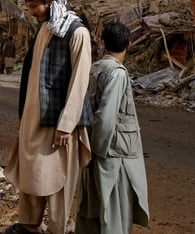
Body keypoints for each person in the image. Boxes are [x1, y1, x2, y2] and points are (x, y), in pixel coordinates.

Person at [3, 0, 93, 234]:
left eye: (34, 6)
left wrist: (66, 125)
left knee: (57, 180)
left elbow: (79, 83)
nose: (32, 12)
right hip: (35, 121)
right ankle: (30, 224)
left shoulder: (77, 33)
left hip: (60, 125)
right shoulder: (44, 29)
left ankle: (57, 228)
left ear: (49, 2)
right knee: (33, 174)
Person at [75, 23, 149, 233]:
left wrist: (89, 149)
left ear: (104, 43)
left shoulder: (94, 68)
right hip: (113, 154)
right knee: (113, 214)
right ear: (128, 45)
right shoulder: (117, 73)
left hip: (96, 148)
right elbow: (106, 118)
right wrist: (97, 151)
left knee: (93, 210)